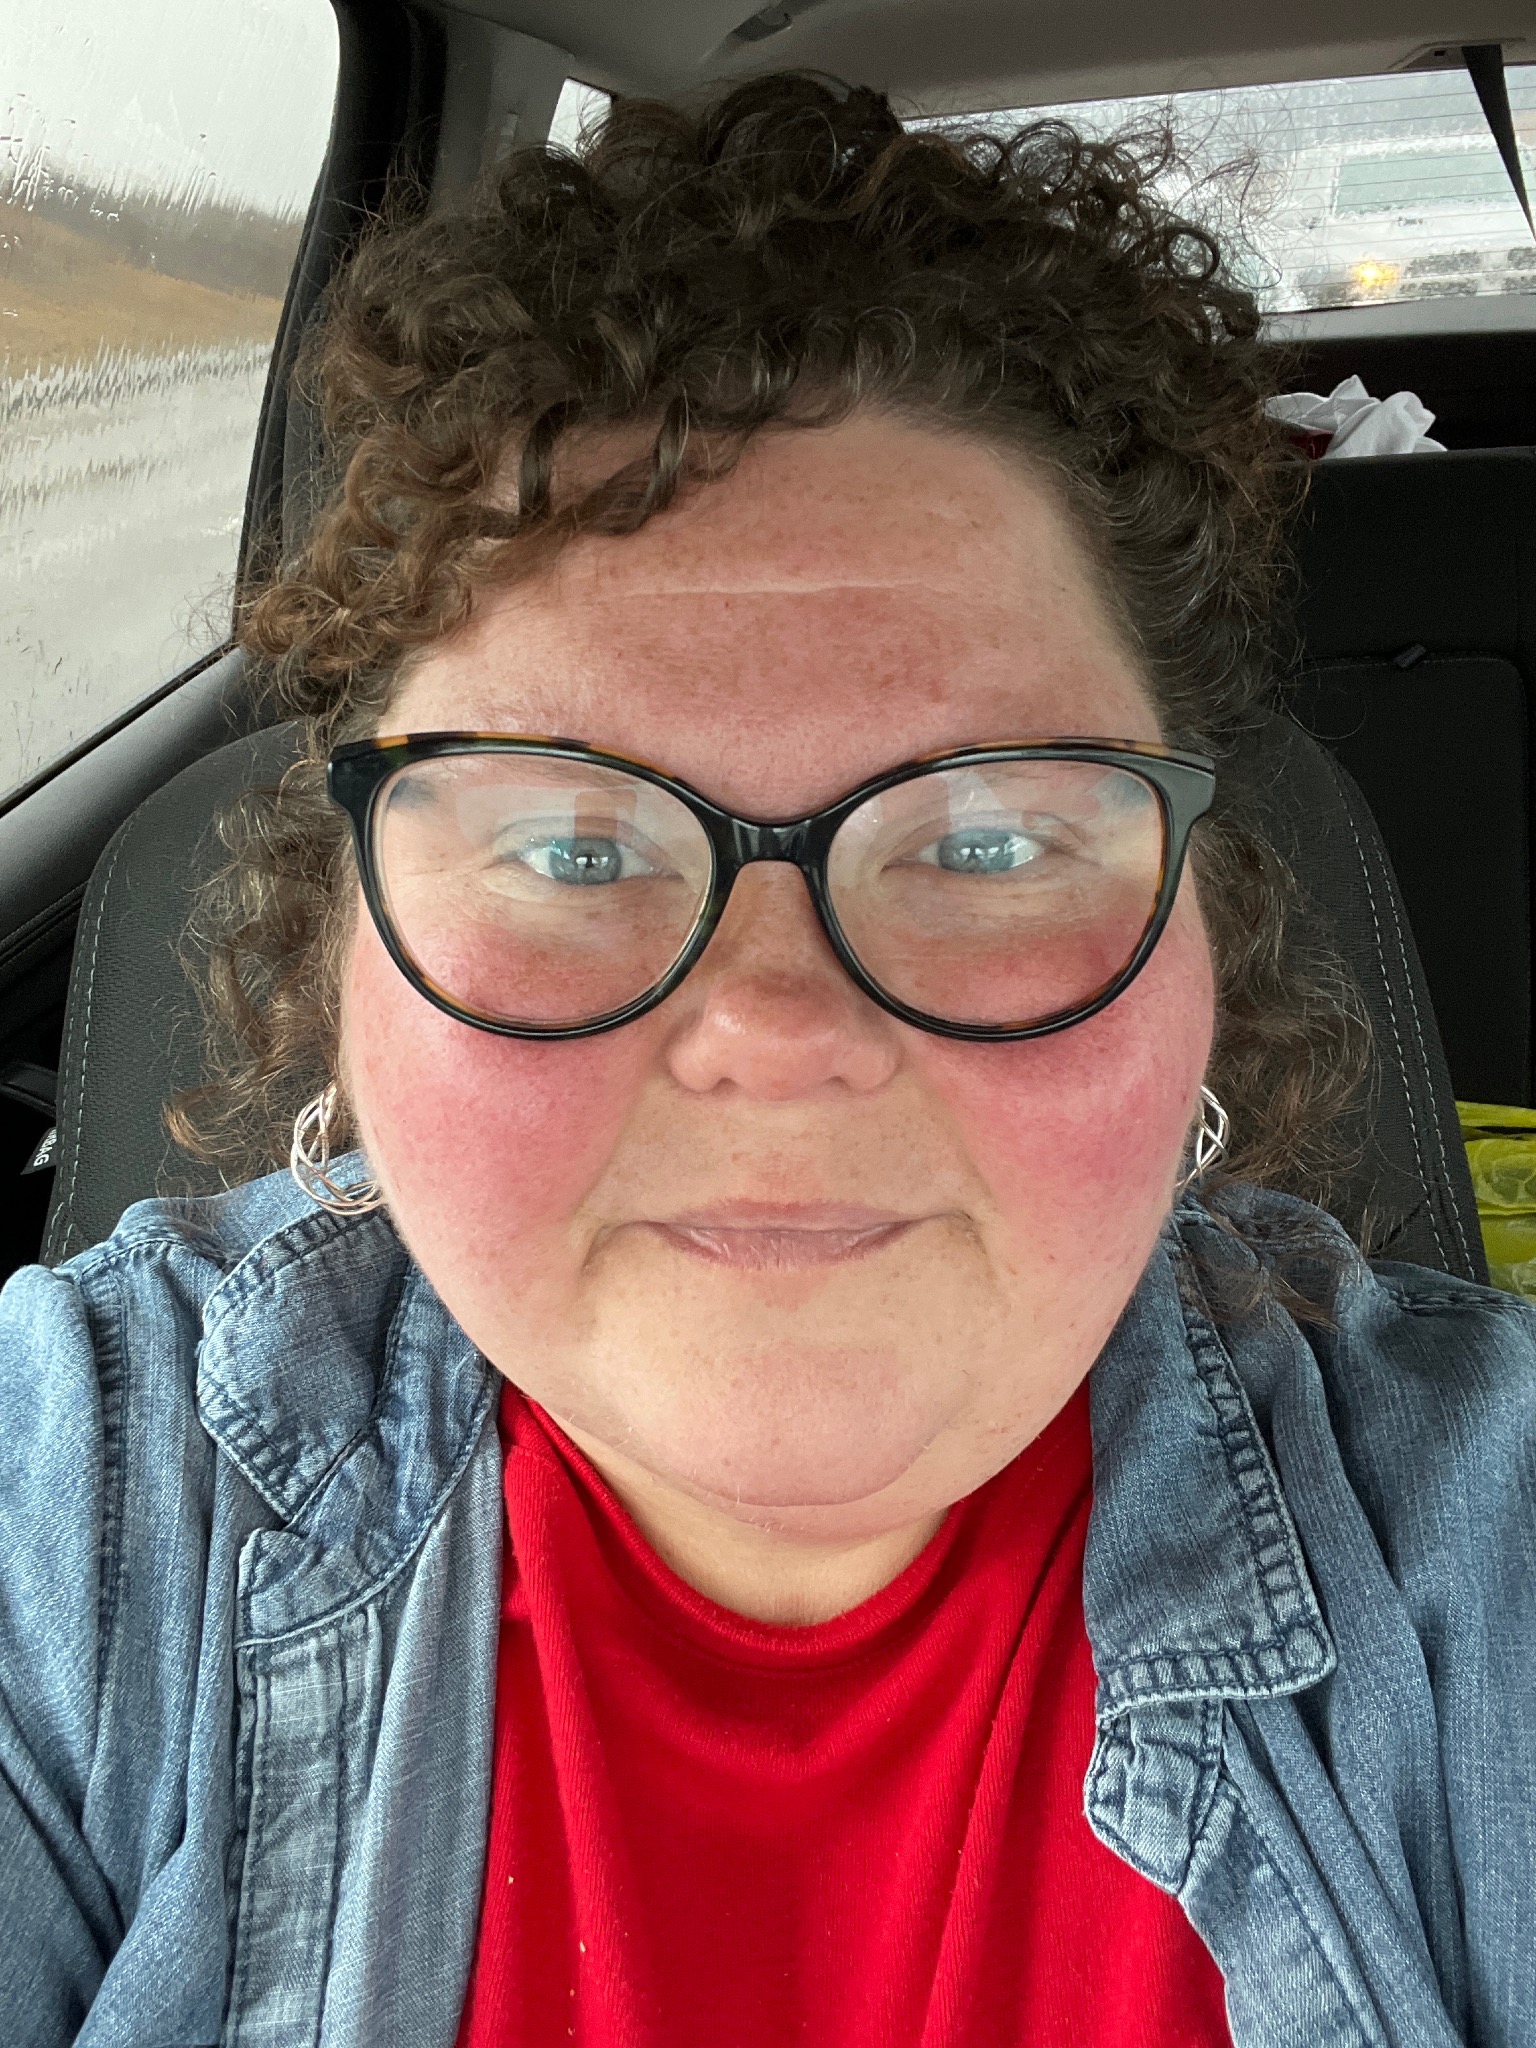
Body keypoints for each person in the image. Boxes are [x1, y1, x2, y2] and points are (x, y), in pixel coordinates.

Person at [1, 74, 1532, 2048]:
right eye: (573, 850)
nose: (778, 1035)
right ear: (345, 956)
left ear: (1197, 954)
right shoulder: (81, 1505)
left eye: (988, 844)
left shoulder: (1479, 1550)